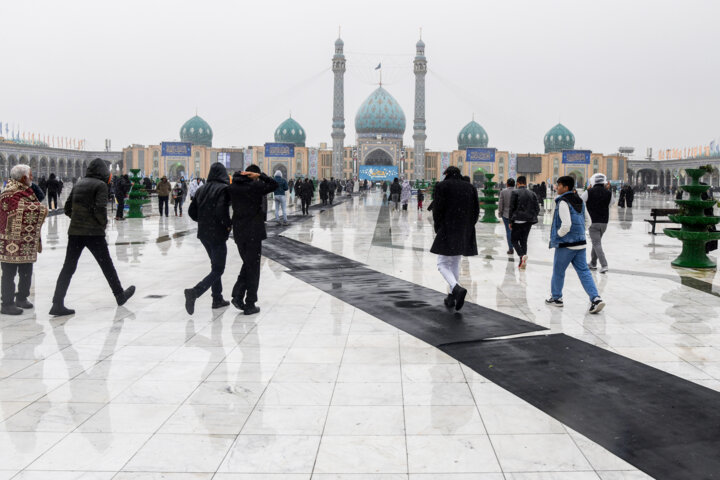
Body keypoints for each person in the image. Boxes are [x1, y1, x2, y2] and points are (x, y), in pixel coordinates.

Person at [50, 158, 136, 316]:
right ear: (103, 171)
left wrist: (78, 220)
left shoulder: (79, 184)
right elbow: (100, 208)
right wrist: (102, 224)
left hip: (75, 232)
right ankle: (119, 295)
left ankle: (57, 302)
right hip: (93, 233)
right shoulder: (101, 185)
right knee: (106, 265)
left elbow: (68, 208)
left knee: (68, 267)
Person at [546, 175, 605, 314]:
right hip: (580, 244)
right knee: (584, 272)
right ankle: (595, 298)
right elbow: (588, 221)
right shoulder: (580, 200)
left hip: (566, 244)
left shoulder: (563, 202)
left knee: (558, 271)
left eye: (558, 185)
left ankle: (556, 298)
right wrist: (579, 233)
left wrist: (557, 235)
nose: (556, 187)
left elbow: (566, 225)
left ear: (565, 187)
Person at [228, 164, 278, 315]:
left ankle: (238, 295)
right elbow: (274, 184)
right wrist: (261, 176)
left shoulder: (232, 187)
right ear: (253, 175)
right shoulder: (255, 187)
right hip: (253, 232)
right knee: (253, 267)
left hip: (238, 231)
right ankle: (250, 303)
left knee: (248, 264)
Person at [184, 163, 232, 314]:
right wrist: (228, 224)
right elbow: (221, 210)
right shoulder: (224, 189)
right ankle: (195, 292)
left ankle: (217, 298)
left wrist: (203, 220)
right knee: (218, 268)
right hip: (217, 233)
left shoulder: (201, 189)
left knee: (215, 266)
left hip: (204, 234)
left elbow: (192, 212)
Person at [430, 166, 480, 311]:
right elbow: (476, 211)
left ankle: (456, 288)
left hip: (447, 228)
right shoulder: (470, 188)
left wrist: (439, 228)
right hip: (464, 229)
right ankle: (452, 296)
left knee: (442, 263)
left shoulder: (442, 186)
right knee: (455, 261)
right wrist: (468, 226)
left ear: (446, 174)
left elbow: (437, 210)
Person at [0, 165, 48, 315]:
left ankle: (22, 297)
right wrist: (41, 209)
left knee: (26, 270)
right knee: (9, 272)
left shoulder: (25, 190)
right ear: (23, 177)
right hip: (10, 241)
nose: (33, 177)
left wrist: (32, 185)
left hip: (25, 239)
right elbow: (16, 210)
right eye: (31, 175)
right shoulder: (9, 192)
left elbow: (39, 197)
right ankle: (7, 303)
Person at [581, 173, 611, 273]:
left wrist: (588, 192)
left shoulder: (589, 192)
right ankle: (593, 263)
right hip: (604, 222)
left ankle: (604, 265)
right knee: (596, 242)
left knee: (596, 243)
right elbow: (612, 203)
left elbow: (580, 200)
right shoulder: (608, 192)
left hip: (593, 222)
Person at [509, 176, 539, 269]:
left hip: (517, 220)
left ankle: (521, 256)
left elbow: (512, 208)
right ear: (525, 183)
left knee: (514, 240)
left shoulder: (515, 192)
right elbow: (537, 208)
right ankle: (522, 262)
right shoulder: (532, 193)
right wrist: (531, 216)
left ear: (518, 183)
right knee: (524, 241)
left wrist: (510, 221)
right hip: (528, 221)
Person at [497, 178, 516, 255]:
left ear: (507, 184)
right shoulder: (516, 191)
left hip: (506, 214)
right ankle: (516, 246)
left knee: (508, 231)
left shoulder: (503, 192)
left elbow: (501, 203)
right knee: (515, 231)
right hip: (515, 215)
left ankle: (511, 248)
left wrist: (500, 212)